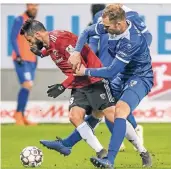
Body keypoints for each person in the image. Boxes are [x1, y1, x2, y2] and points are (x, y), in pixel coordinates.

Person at [20, 19, 149, 165]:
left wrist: (62, 86)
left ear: (37, 34)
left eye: (29, 40)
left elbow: (78, 66)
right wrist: (41, 53)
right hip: (78, 83)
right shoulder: (50, 42)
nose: (30, 44)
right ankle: (101, 152)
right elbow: (52, 50)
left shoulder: (61, 40)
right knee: (75, 116)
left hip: (94, 80)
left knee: (113, 117)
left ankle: (143, 152)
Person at [69, 4, 153, 168]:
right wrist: (76, 52)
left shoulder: (131, 40)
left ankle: (110, 160)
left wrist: (85, 71)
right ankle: (67, 144)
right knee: (98, 110)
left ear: (119, 24)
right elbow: (87, 32)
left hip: (140, 77)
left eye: (107, 27)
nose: (103, 29)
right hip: (122, 75)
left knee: (120, 111)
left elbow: (111, 70)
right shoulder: (109, 26)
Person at [88, 3, 153, 151]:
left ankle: (133, 131)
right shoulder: (100, 20)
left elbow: (147, 36)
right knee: (108, 105)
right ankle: (122, 137)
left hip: (121, 67)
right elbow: (92, 44)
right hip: (104, 67)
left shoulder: (131, 16)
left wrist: (135, 53)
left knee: (116, 105)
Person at [11, 4, 39, 125]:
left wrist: (36, 56)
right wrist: (18, 55)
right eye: (32, 5)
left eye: (37, 5)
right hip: (21, 59)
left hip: (32, 60)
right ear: (27, 6)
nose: (35, 8)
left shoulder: (34, 23)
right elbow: (13, 37)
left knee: (29, 86)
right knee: (26, 85)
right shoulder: (20, 19)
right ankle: (18, 114)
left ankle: (21, 115)